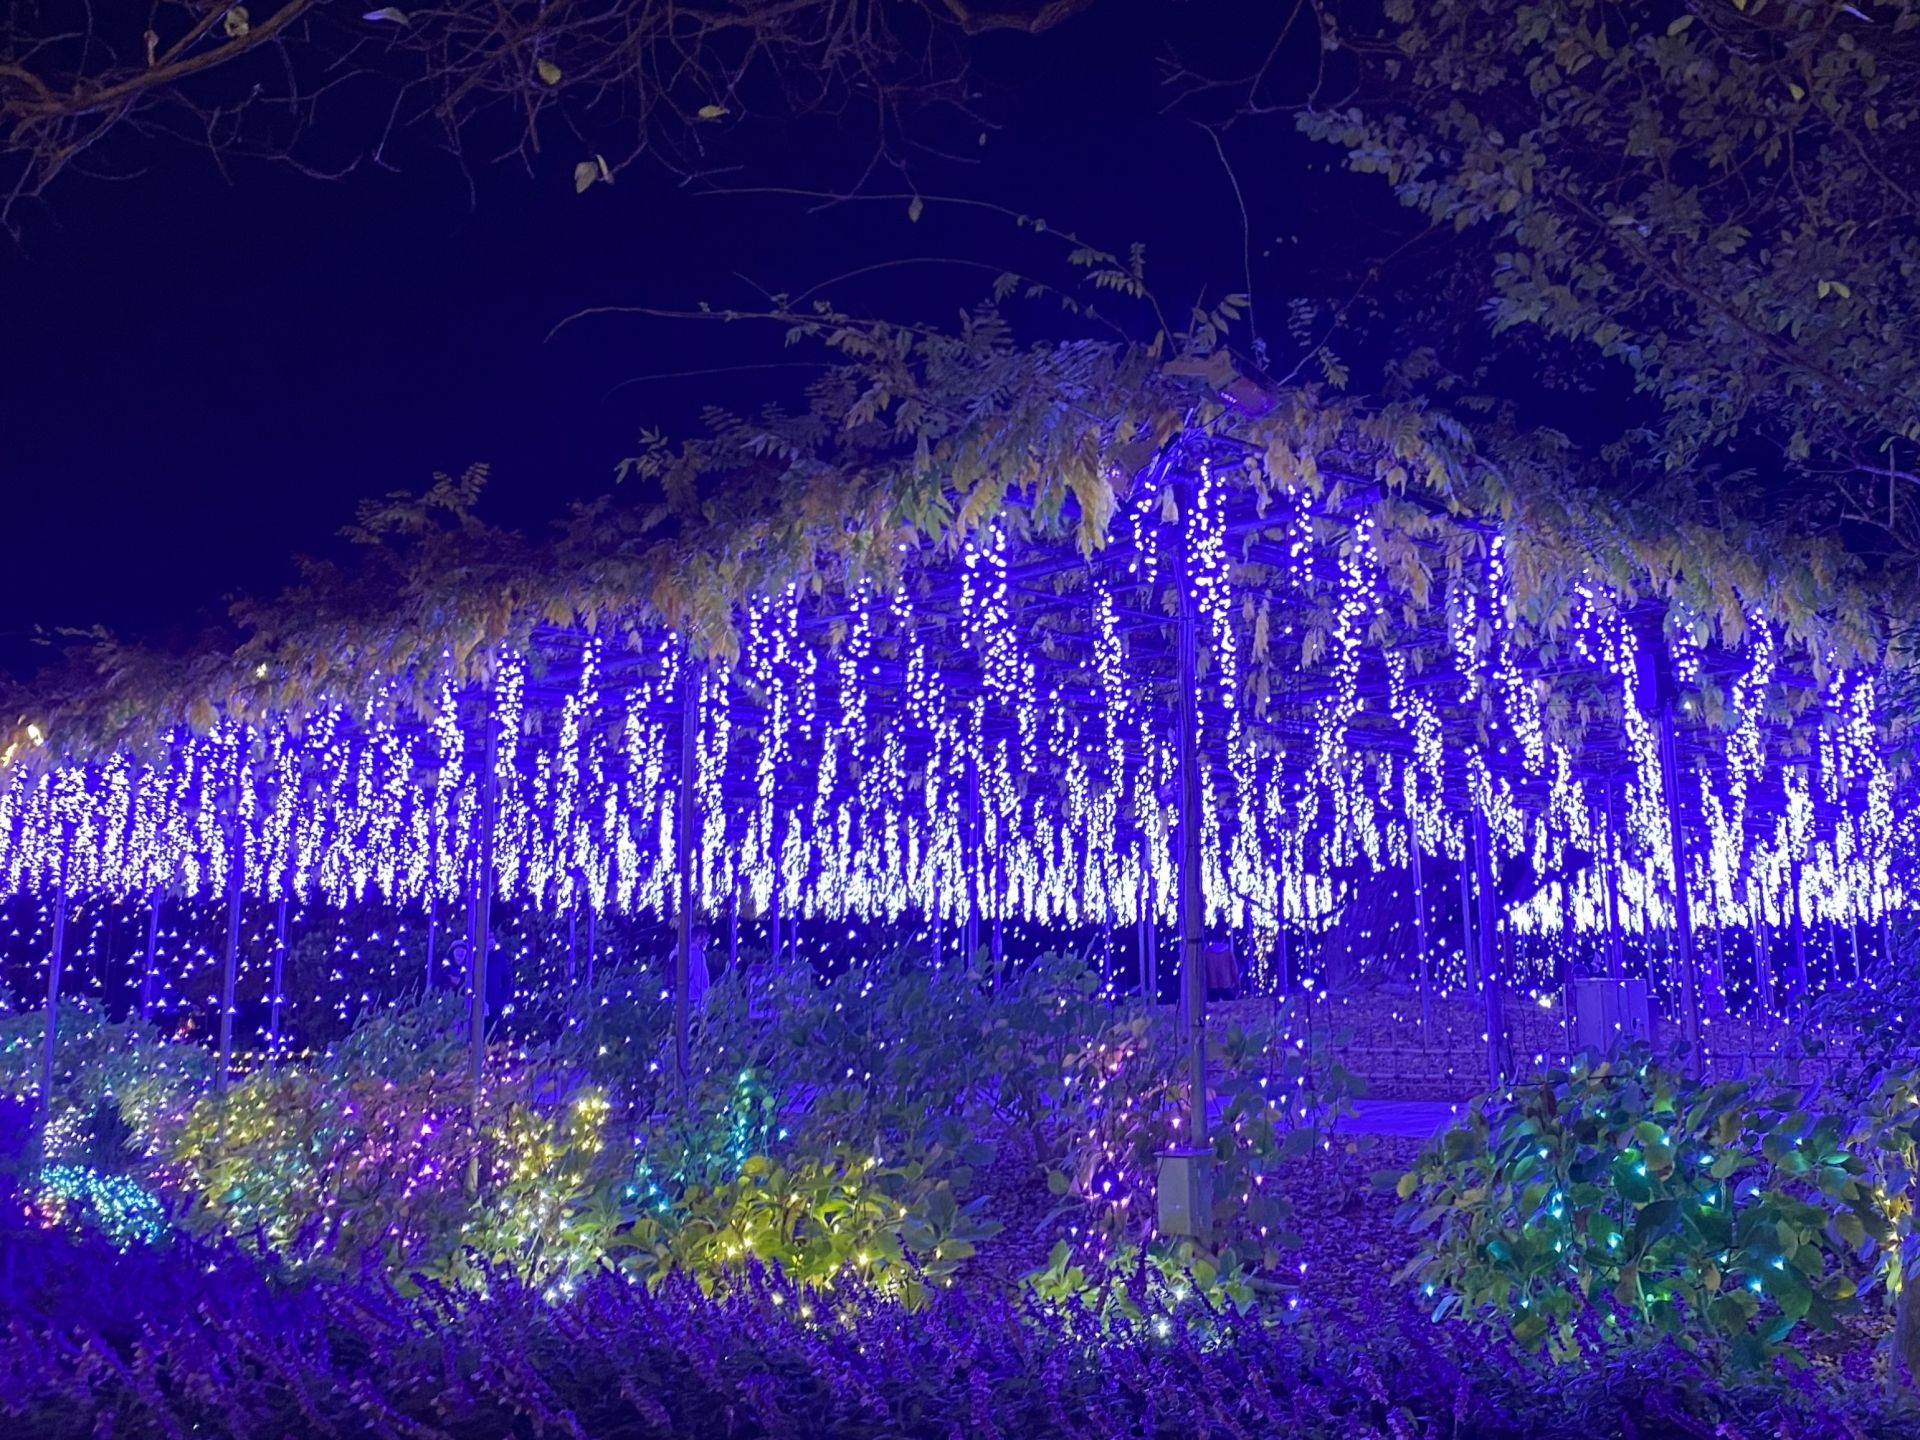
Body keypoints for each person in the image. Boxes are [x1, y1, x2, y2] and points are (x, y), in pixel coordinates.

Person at [1204, 933, 1239, 1003]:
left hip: (1212, 984)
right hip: (1226, 984)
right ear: (1223, 939)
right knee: (1231, 1007)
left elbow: (1204, 971)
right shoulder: (1228, 952)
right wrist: (1237, 982)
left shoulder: (1207, 953)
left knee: (1212, 1009)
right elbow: (1234, 969)